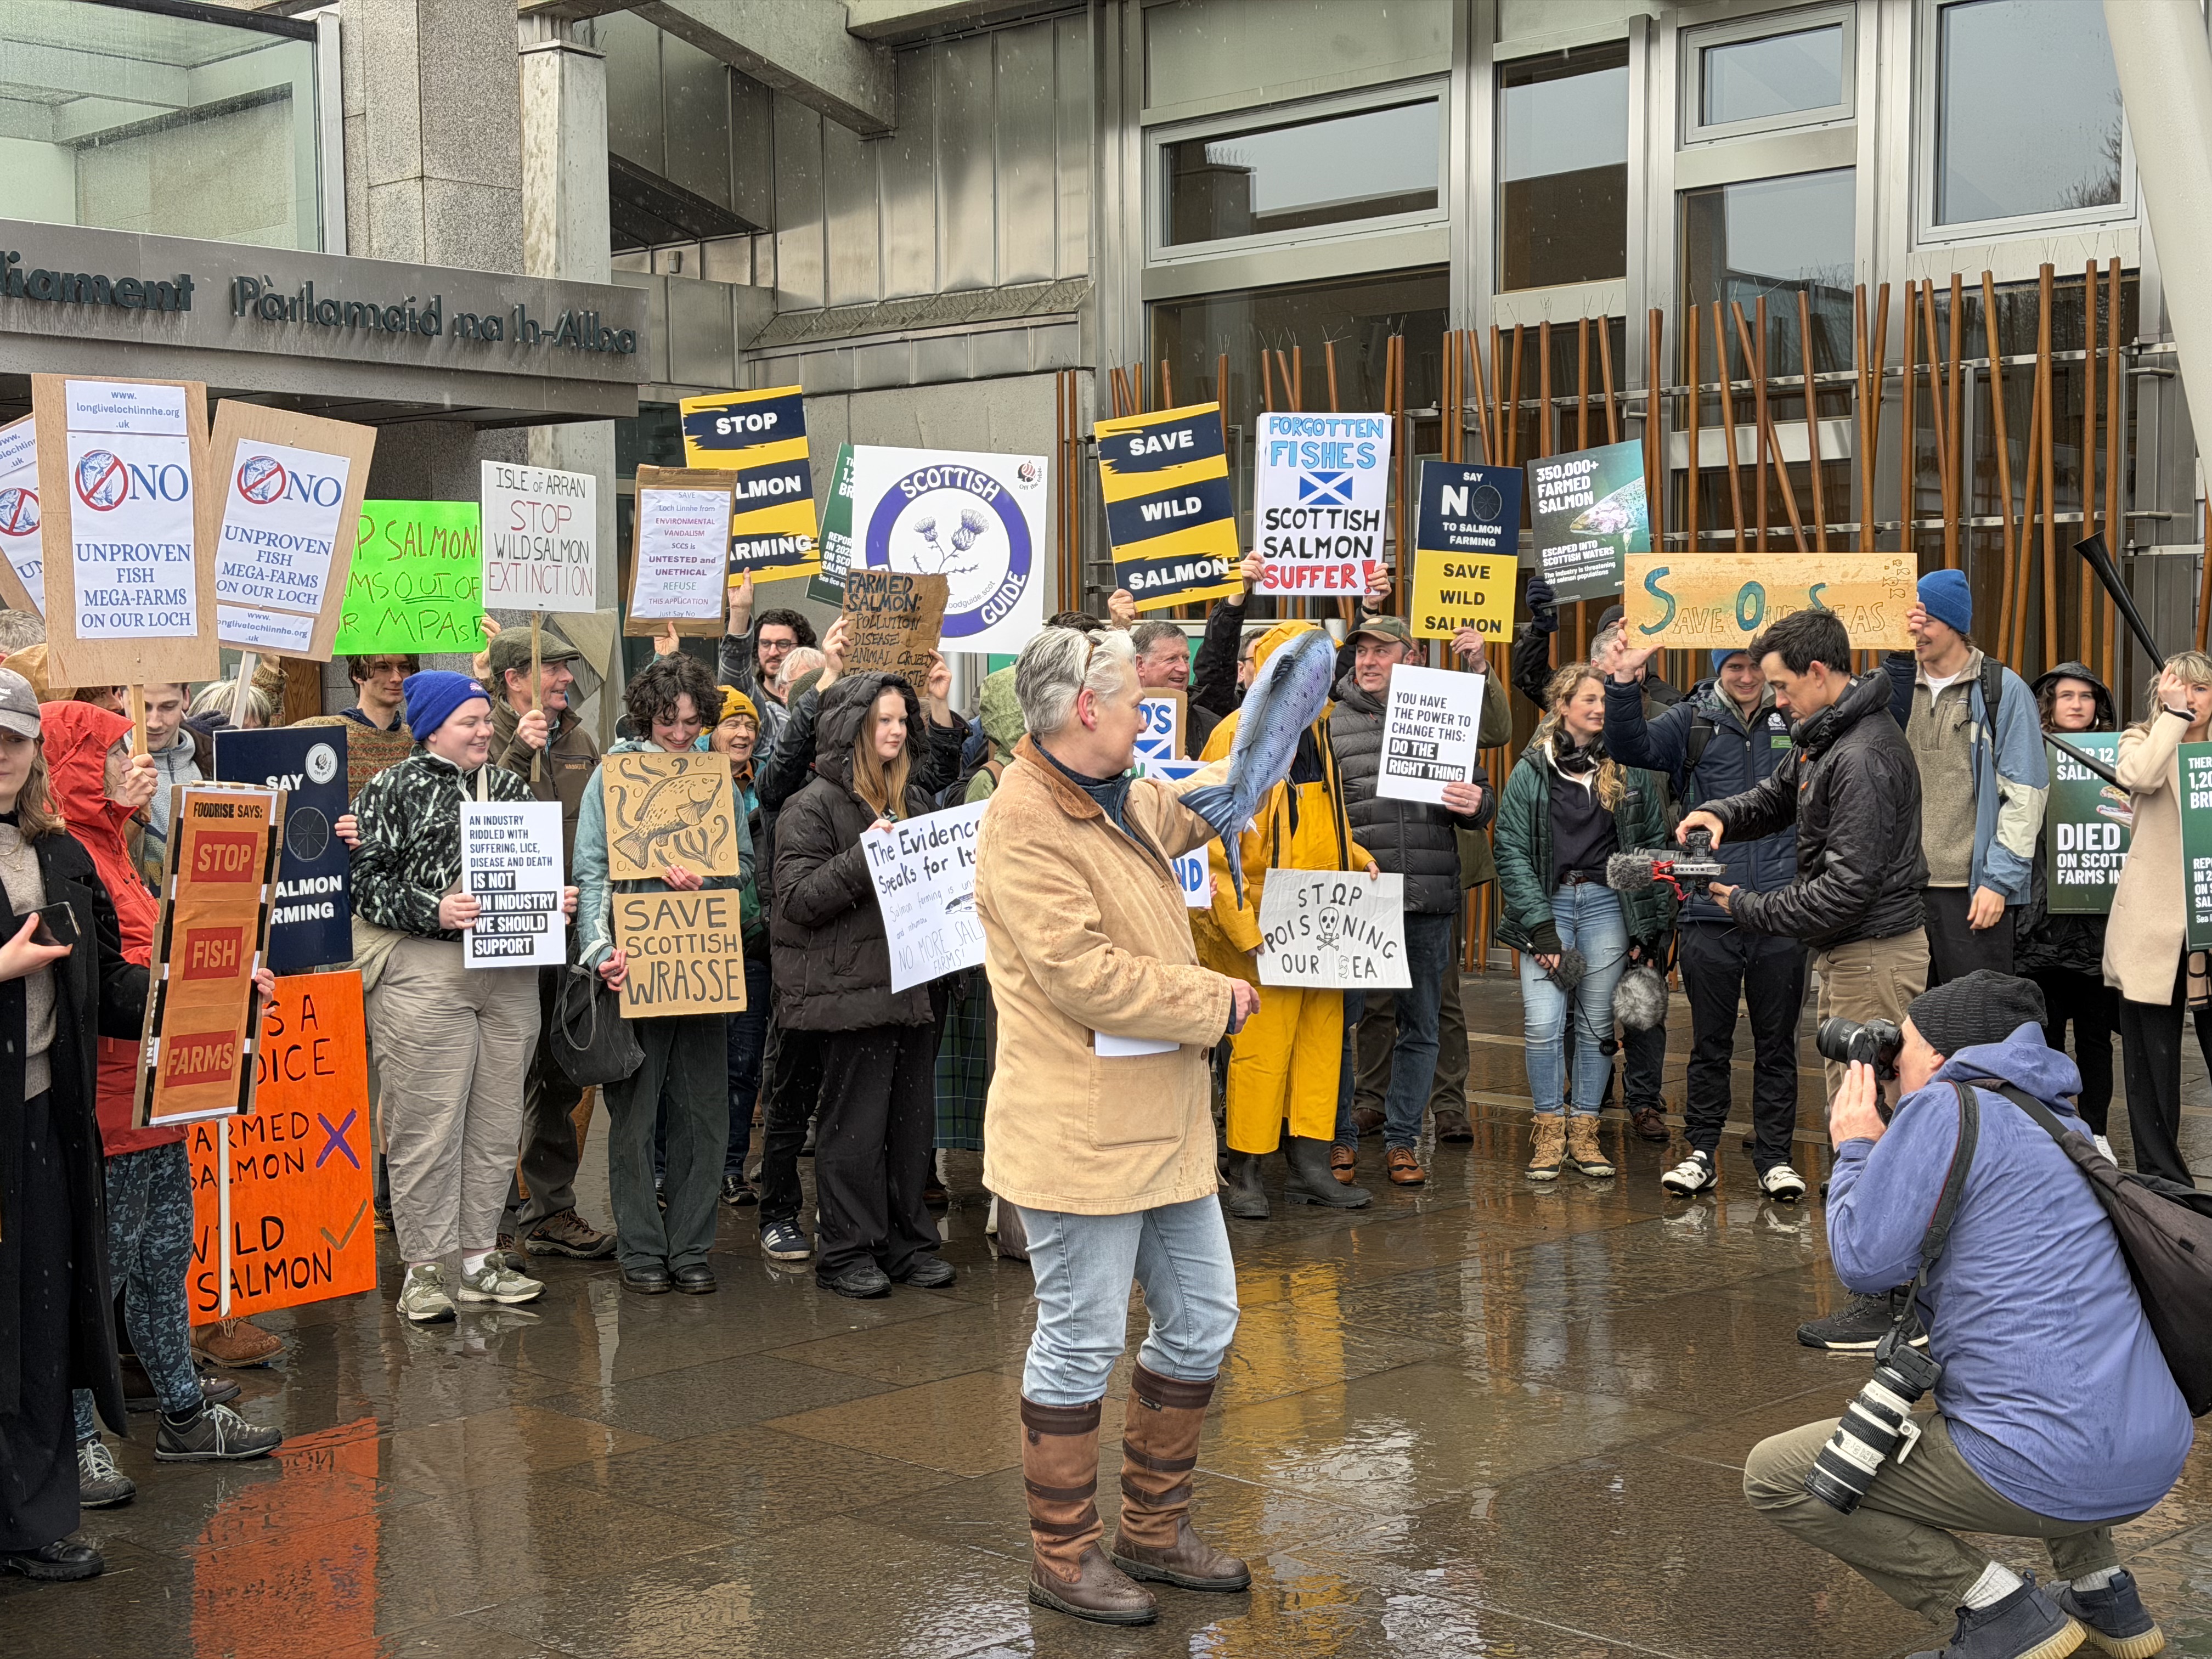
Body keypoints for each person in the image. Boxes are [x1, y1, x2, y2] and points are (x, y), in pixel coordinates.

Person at [1745, 972, 2188, 1659]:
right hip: (2153, 1452)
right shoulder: (2065, 1118)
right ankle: (2106, 1593)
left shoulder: (1947, 1107)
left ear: (1947, 1061)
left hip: (2048, 1466)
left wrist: (1859, 1144)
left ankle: (1999, 1610)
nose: (1896, 1061)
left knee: (1776, 1475)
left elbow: (1865, 1262)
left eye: (1908, 1047)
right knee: (2061, 1371)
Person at [975, 624, 1257, 1626]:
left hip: (1164, 1128)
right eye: (1133, 698)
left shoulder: (1115, 787)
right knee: (1081, 1338)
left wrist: (1255, 748)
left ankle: (1152, 1527)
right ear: (1083, 709)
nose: (1147, 711)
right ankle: (1064, 1554)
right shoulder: (1021, 822)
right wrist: (1207, 1000)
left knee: (1204, 1319)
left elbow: (1181, 808)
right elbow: (1082, 975)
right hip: (1080, 1132)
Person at [43, 702, 281, 1513]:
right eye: (113, 751)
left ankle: (182, 1412)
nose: (130, 762)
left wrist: (226, 978)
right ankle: (73, 1444)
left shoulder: (120, 845)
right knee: (96, 1280)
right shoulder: (67, 857)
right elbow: (107, 985)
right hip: (110, 1101)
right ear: (73, 765)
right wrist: (195, 988)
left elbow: (171, 949)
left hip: (162, 1092)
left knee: (160, 1262)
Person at [1675, 606, 1931, 1351]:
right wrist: (1720, 813)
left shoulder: (1864, 755)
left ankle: (1888, 1299)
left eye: (1783, 685)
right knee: (1861, 1112)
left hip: (1873, 955)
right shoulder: (1827, 738)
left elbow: (1845, 888)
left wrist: (1748, 906)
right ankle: (1885, 1289)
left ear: (1820, 674)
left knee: (1873, 1121)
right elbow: (1775, 798)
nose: (1774, 697)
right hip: (1855, 953)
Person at [352, 671, 575, 1324]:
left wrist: (550, 901)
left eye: (485, 720)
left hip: (507, 975)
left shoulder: (508, 786)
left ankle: (480, 1259)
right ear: (430, 729)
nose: (484, 731)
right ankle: (424, 1270)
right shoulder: (389, 790)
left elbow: (530, 869)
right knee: (428, 1125)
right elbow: (364, 884)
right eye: (469, 722)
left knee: (496, 1123)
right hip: (425, 973)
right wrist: (435, 908)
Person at [0, 669, 156, 1583]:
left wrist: (196, 989)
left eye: (16, 740)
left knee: (44, 1317)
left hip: (47, 1123)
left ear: (36, 753)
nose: (5, 755)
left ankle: (33, 1520)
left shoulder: (62, 853)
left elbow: (111, 989)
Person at [1604, 638, 1808, 1199]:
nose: (1746, 677)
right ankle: (1701, 1151)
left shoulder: (1795, 714)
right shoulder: (1692, 720)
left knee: (1777, 1045)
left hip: (1780, 909)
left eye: (1754, 666)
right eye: (1734, 666)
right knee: (1710, 1044)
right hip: (1707, 908)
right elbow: (1627, 744)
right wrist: (1624, 684)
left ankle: (1774, 1158)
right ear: (1719, 669)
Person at [573, 654, 752, 1295]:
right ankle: (643, 1249)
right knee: (636, 1118)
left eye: (692, 721)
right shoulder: (612, 776)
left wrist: (715, 878)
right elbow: (592, 869)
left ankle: (692, 1246)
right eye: (669, 720)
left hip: (701, 968)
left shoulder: (719, 781)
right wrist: (599, 952)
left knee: (705, 1114)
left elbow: (748, 874)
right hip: (636, 968)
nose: (682, 733)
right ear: (648, 714)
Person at [771, 669, 952, 1299]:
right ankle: (847, 1251)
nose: (898, 730)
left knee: (910, 1130)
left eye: (904, 719)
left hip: (910, 988)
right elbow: (796, 899)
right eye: (885, 720)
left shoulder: (918, 803)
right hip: (847, 994)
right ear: (853, 728)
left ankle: (909, 1245)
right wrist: (863, 857)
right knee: (853, 1129)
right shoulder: (810, 806)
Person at [1196, 620, 1377, 1220]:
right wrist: (1242, 929)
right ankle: (1245, 1165)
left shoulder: (1319, 733)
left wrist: (1357, 859)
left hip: (1320, 928)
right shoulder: (1234, 737)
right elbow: (1212, 846)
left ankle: (1312, 1162)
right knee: (1261, 1052)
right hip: (1263, 928)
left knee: (1321, 1047)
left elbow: (1324, 822)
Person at [1326, 615, 1499, 1187]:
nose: (1368, 661)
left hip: (1427, 892)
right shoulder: (1330, 722)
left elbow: (1480, 796)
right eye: (1362, 652)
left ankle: (1403, 1142)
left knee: (1421, 1024)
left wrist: (1477, 803)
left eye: (1382, 651)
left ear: (1412, 658)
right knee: (1344, 1024)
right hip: (1358, 896)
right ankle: (1342, 1140)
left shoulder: (1440, 709)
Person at [1493, 663, 1675, 1180]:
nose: (1599, 708)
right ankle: (1550, 1130)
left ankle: (1587, 1131)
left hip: (1604, 908)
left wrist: (1646, 931)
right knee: (1543, 1023)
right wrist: (1541, 929)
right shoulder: (1532, 769)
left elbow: (1651, 847)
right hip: (1547, 909)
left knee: (1597, 1026)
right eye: (1588, 700)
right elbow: (1510, 850)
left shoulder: (1629, 767)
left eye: (1604, 700)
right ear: (1562, 707)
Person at [481, 629, 614, 1265]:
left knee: (561, 1077)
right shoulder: (483, 735)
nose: (565, 678)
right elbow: (477, 818)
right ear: (515, 677)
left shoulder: (582, 742)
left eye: (565, 667)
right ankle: (494, 1216)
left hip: (567, 932)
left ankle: (552, 1207)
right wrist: (513, 752)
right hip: (507, 937)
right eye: (555, 668)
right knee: (504, 1077)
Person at [1882, 569, 2046, 984]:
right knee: (1906, 1031)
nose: (1915, 632)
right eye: (1910, 622)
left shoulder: (2003, 690)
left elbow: (2026, 796)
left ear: (1955, 625)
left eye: (1927, 621)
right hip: (1899, 890)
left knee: (1976, 1026)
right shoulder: (1891, 688)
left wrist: (1999, 882)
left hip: (1972, 893)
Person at [2104, 652, 2212, 1188]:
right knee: (2151, 1064)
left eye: (2201, 691)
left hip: (2208, 924)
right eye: (2179, 690)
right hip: (2153, 927)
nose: (2191, 700)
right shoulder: (2139, 739)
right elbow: (2139, 778)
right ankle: (2163, 1181)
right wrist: (2172, 721)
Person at [2015, 662, 2121, 1153]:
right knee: (2047, 1035)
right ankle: (2057, 1128)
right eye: (2066, 696)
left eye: (2086, 696)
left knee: (2097, 1039)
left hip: (2098, 925)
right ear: (2048, 704)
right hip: (2043, 925)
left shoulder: (2123, 756)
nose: (2077, 704)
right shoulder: (2026, 753)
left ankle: (2097, 1131)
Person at [710, 686, 770, 1208]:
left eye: (749, 724)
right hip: (689, 943)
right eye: (731, 723)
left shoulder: (766, 783)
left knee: (742, 1064)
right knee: (682, 1067)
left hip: (750, 943)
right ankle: (666, 1172)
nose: (743, 733)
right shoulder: (681, 781)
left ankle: (731, 1168)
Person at [296, 653, 419, 803]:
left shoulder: (419, 741)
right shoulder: (319, 732)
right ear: (357, 674)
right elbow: (267, 745)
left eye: (404, 667)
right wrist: (271, 673)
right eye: (383, 667)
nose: (397, 678)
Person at [719, 572, 817, 756]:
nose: (773, 652)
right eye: (765, 643)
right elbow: (735, 688)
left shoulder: (842, 728)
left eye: (783, 644)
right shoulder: (776, 723)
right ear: (784, 690)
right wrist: (740, 612)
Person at [135, 682, 196, 887]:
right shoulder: (100, 768)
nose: (154, 722)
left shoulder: (214, 759)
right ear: (120, 697)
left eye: (168, 707)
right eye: (142, 707)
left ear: (186, 698)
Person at [1128, 619, 1218, 755]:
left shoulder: (1211, 725)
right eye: (1172, 659)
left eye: (1186, 659)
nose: (1184, 669)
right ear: (1140, 664)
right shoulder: (1111, 718)